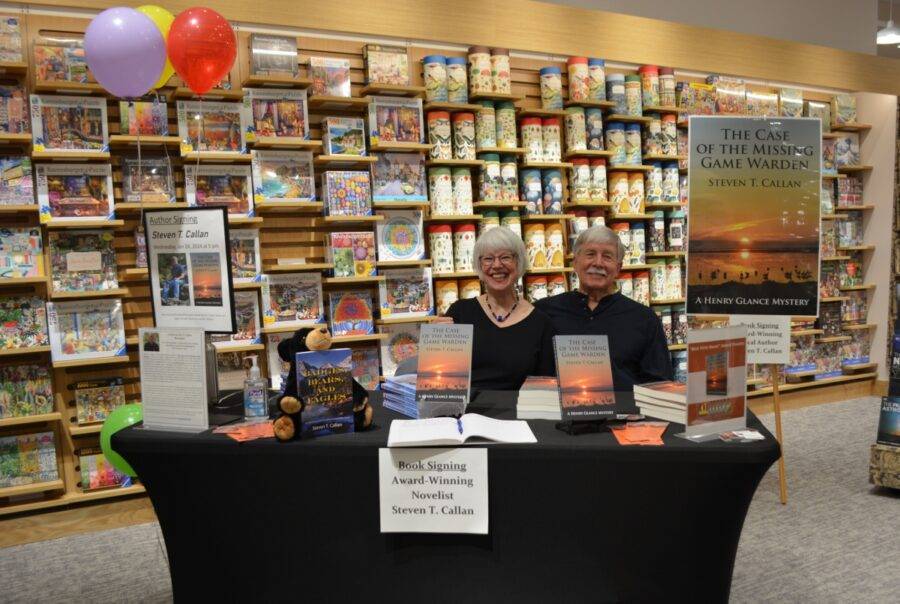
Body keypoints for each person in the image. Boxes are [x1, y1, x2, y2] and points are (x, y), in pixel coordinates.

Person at [535, 225, 672, 392]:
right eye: (590, 254)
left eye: (607, 257)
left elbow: (660, 384)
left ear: (618, 268)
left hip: (625, 417)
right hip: (561, 417)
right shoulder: (544, 312)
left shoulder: (644, 318)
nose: (598, 263)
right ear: (575, 263)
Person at [440, 227, 556, 391]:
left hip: (517, 414)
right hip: (466, 413)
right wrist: (434, 345)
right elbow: (441, 383)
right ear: (479, 265)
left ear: (519, 262)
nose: (496, 265)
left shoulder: (541, 323)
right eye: (488, 259)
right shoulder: (460, 312)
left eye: (505, 257)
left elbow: (545, 392)